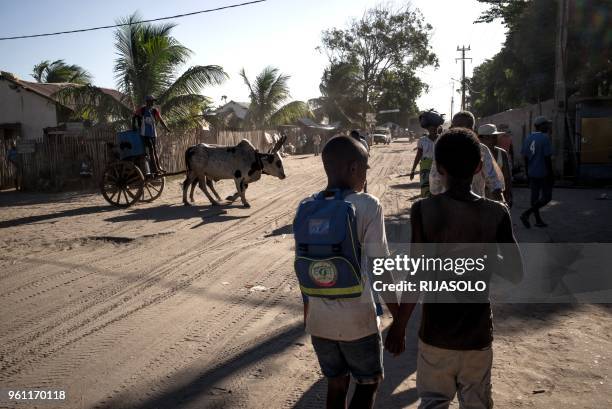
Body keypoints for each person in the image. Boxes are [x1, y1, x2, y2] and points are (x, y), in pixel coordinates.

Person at [390, 128, 523, 409]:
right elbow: (515, 272)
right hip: (477, 336)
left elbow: (416, 275)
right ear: (478, 167)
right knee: (476, 402)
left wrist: (399, 325)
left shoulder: (423, 211)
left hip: (436, 335)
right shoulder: (496, 213)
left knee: (434, 402)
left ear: (438, 167)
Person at [298, 135, 401, 409]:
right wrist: (400, 319)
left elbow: (305, 264)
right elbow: (380, 268)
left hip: (319, 320)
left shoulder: (306, 206)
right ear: (354, 168)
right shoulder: (368, 205)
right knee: (368, 384)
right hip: (358, 319)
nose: (366, 175)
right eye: (365, 169)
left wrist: (309, 312)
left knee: (336, 383)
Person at [429, 111, 505, 202]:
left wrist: (502, 204)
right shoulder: (443, 149)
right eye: (458, 127)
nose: (462, 131)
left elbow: (495, 182)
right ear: (452, 128)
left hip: (474, 208)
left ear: (473, 130)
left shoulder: (482, 150)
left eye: (466, 128)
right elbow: (435, 183)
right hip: (448, 208)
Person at [520, 116, 554, 228]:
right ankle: (527, 213)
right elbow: (547, 158)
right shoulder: (545, 138)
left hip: (532, 173)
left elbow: (525, 157)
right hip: (543, 173)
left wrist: (527, 172)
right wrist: (551, 174)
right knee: (547, 197)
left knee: (534, 197)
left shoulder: (528, 138)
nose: (548, 126)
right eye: (546, 124)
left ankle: (538, 220)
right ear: (541, 126)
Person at [478, 124, 513, 207]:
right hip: (481, 194)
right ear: (482, 138)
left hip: (497, 194)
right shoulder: (476, 154)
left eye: (495, 137)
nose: (495, 139)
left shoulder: (502, 153)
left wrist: (508, 194)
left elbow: (507, 176)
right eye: (492, 137)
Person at [132, 95, 170, 173]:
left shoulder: (154, 110)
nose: (153, 102)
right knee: (151, 150)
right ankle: (155, 169)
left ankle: (158, 167)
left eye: (153, 101)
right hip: (144, 134)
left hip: (153, 133)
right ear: (147, 101)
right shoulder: (142, 110)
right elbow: (134, 116)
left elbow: (160, 120)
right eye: (151, 101)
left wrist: (166, 128)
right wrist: (134, 126)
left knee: (155, 151)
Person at [410, 110, 443, 197]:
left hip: (439, 168)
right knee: (425, 191)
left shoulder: (442, 139)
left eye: (435, 128)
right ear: (428, 129)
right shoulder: (422, 140)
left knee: (438, 190)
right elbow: (418, 156)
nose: (434, 130)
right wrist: (413, 170)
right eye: (431, 128)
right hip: (425, 168)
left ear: (438, 128)